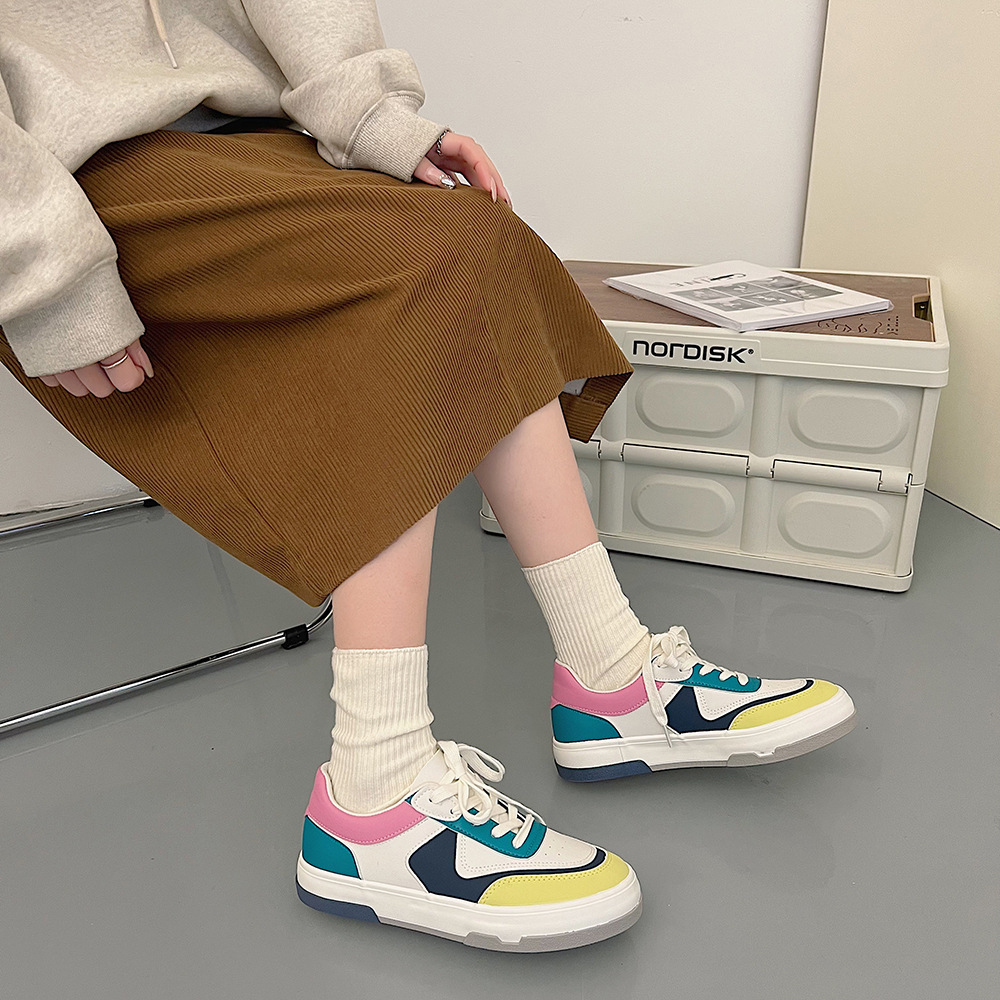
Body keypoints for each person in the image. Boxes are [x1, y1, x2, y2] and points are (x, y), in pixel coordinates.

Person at [0, 1, 856, 952]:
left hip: (253, 144)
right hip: (62, 187)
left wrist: (370, 116)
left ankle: (610, 674)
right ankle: (374, 790)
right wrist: (39, 270)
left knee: (472, 239)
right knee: (415, 277)